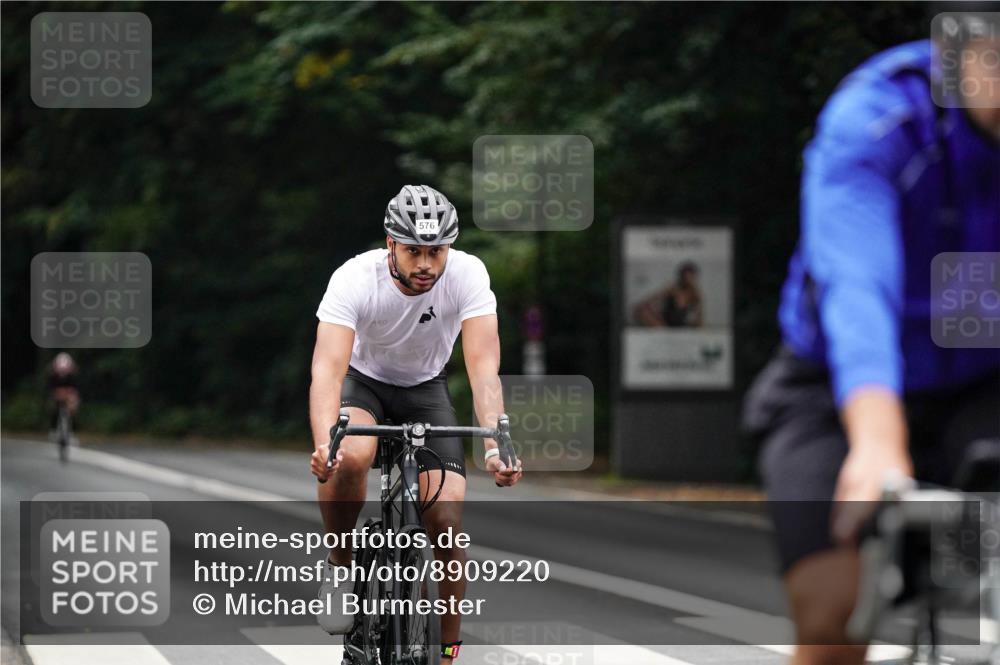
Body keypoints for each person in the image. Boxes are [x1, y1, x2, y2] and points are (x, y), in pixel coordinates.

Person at [743, 23, 1000, 665]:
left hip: (983, 382)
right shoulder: (879, 116)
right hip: (835, 387)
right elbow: (857, 284)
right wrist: (879, 443)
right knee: (832, 613)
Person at [309, 184, 523, 661]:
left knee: (446, 523)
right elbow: (327, 368)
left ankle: (447, 650)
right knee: (351, 457)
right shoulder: (354, 278)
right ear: (390, 244)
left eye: (436, 251)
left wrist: (495, 444)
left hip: (426, 390)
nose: (426, 263)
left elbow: (483, 366)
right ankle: (340, 564)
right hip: (365, 385)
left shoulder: (468, 274)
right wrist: (327, 441)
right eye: (413, 251)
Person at [632, 261, 703, 328]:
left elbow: (699, 317)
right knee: (641, 310)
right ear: (681, 276)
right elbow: (653, 298)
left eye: (690, 277)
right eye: (685, 277)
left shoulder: (695, 294)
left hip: (680, 326)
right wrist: (645, 307)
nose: (687, 280)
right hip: (664, 323)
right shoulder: (673, 289)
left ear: (694, 277)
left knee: (698, 324)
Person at [47, 352, 80, 435]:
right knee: (53, 408)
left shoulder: (73, 376)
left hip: (69, 396)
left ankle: (73, 429)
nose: (63, 372)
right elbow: (51, 389)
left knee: (73, 408)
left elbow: (75, 389)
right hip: (57, 395)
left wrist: (71, 396)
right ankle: (53, 428)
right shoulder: (53, 376)